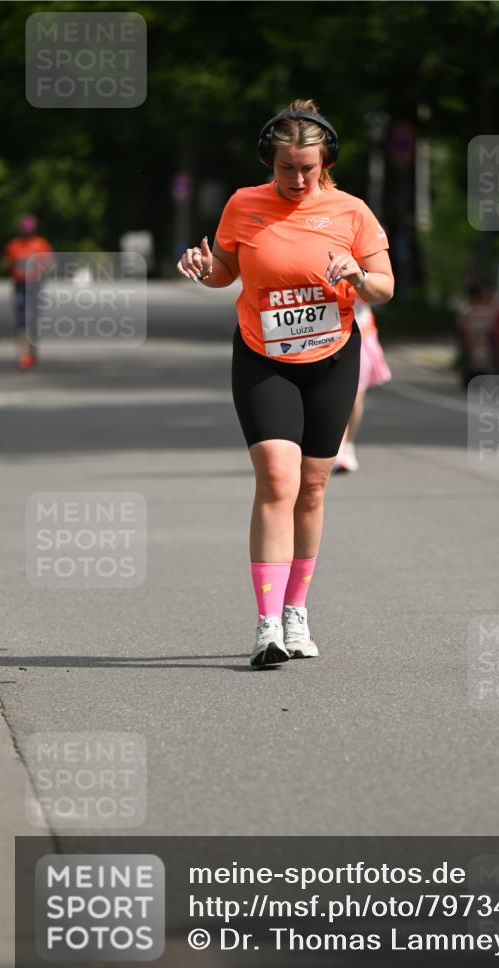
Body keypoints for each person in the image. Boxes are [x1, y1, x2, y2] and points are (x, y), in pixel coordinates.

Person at [177, 98, 394, 667]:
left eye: (308, 167)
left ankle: (298, 614)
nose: (297, 178)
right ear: (268, 162)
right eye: (285, 167)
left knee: (313, 488)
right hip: (262, 356)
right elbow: (225, 270)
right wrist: (204, 270)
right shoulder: (244, 205)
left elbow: (386, 289)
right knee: (278, 478)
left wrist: (359, 274)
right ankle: (267, 624)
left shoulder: (351, 212)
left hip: (331, 359)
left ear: (325, 161)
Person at [334, 299, 392, 473]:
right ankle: (338, 448)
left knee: (355, 396)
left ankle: (347, 446)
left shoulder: (361, 271)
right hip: (329, 338)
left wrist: (358, 278)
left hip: (361, 336)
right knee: (336, 396)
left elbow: (378, 293)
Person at [3, 214, 54, 370]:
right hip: (19, 285)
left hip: (35, 286)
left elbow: (50, 265)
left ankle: (33, 350)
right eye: (24, 231)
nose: (26, 234)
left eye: (29, 231)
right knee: (22, 321)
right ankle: (23, 355)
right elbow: (7, 265)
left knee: (33, 320)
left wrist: (41, 271)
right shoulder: (13, 245)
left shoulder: (41, 244)